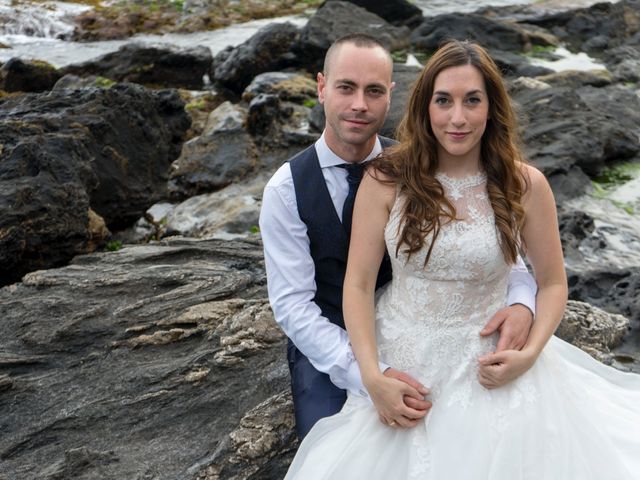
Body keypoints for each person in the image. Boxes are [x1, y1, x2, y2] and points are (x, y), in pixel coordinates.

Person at [284, 40, 640, 479]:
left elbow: (551, 282)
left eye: (472, 100)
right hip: (403, 354)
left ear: (491, 107)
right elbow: (356, 284)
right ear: (424, 106)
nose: (457, 118)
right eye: (443, 101)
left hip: (489, 362)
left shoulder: (525, 184)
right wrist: (372, 376)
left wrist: (529, 353)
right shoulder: (387, 178)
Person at [259, 33, 538, 440]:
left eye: (373, 91)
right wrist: (369, 375)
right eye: (345, 88)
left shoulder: (421, 164)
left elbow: (489, 247)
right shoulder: (285, 190)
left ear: (390, 95)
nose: (359, 105)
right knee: (330, 448)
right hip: (329, 341)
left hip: (424, 328)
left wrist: (521, 303)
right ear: (321, 88)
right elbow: (293, 307)